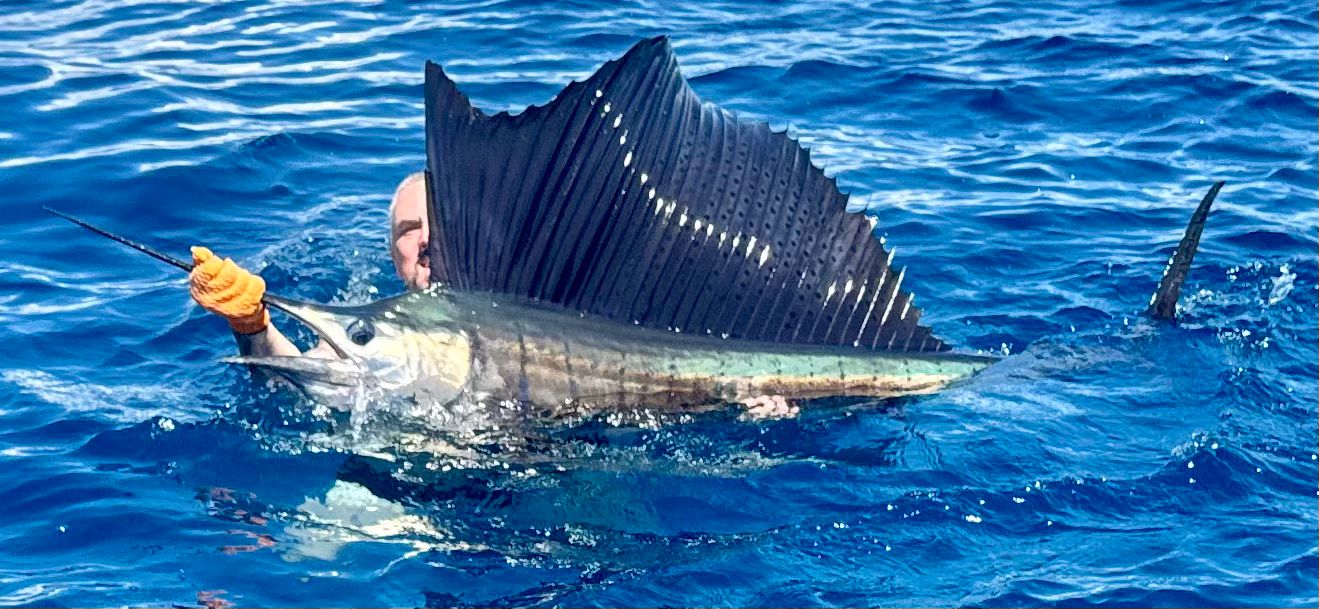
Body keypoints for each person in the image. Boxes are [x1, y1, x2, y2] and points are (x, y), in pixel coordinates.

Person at [189, 172, 430, 357]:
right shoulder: (366, 320)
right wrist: (252, 326)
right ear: (393, 254)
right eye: (409, 230)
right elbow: (311, 377)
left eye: (441, 223)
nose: (426, 239)